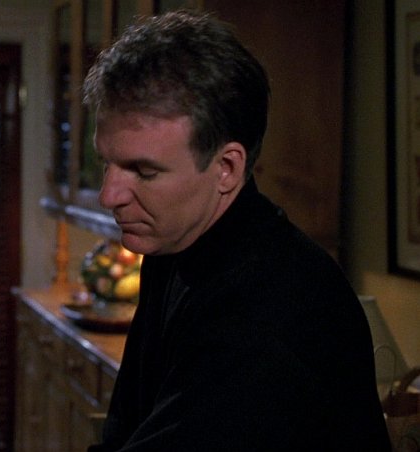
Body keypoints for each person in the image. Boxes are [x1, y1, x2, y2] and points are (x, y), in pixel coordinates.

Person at [83, 10, 390, 451]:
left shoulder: (273, 306)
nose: (108, 195)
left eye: (144, 172)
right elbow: (125, 432)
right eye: (107, 162)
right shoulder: (173, 245)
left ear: (226, 167)